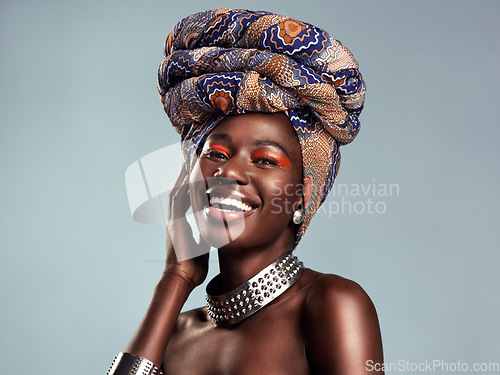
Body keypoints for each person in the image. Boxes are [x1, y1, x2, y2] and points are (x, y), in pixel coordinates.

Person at [108, 8, 384, 375]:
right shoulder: (174, 332)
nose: (229, 171)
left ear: (302, 196)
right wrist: (175, 280)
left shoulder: (331, 304)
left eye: (266, 160)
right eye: (216, 153)